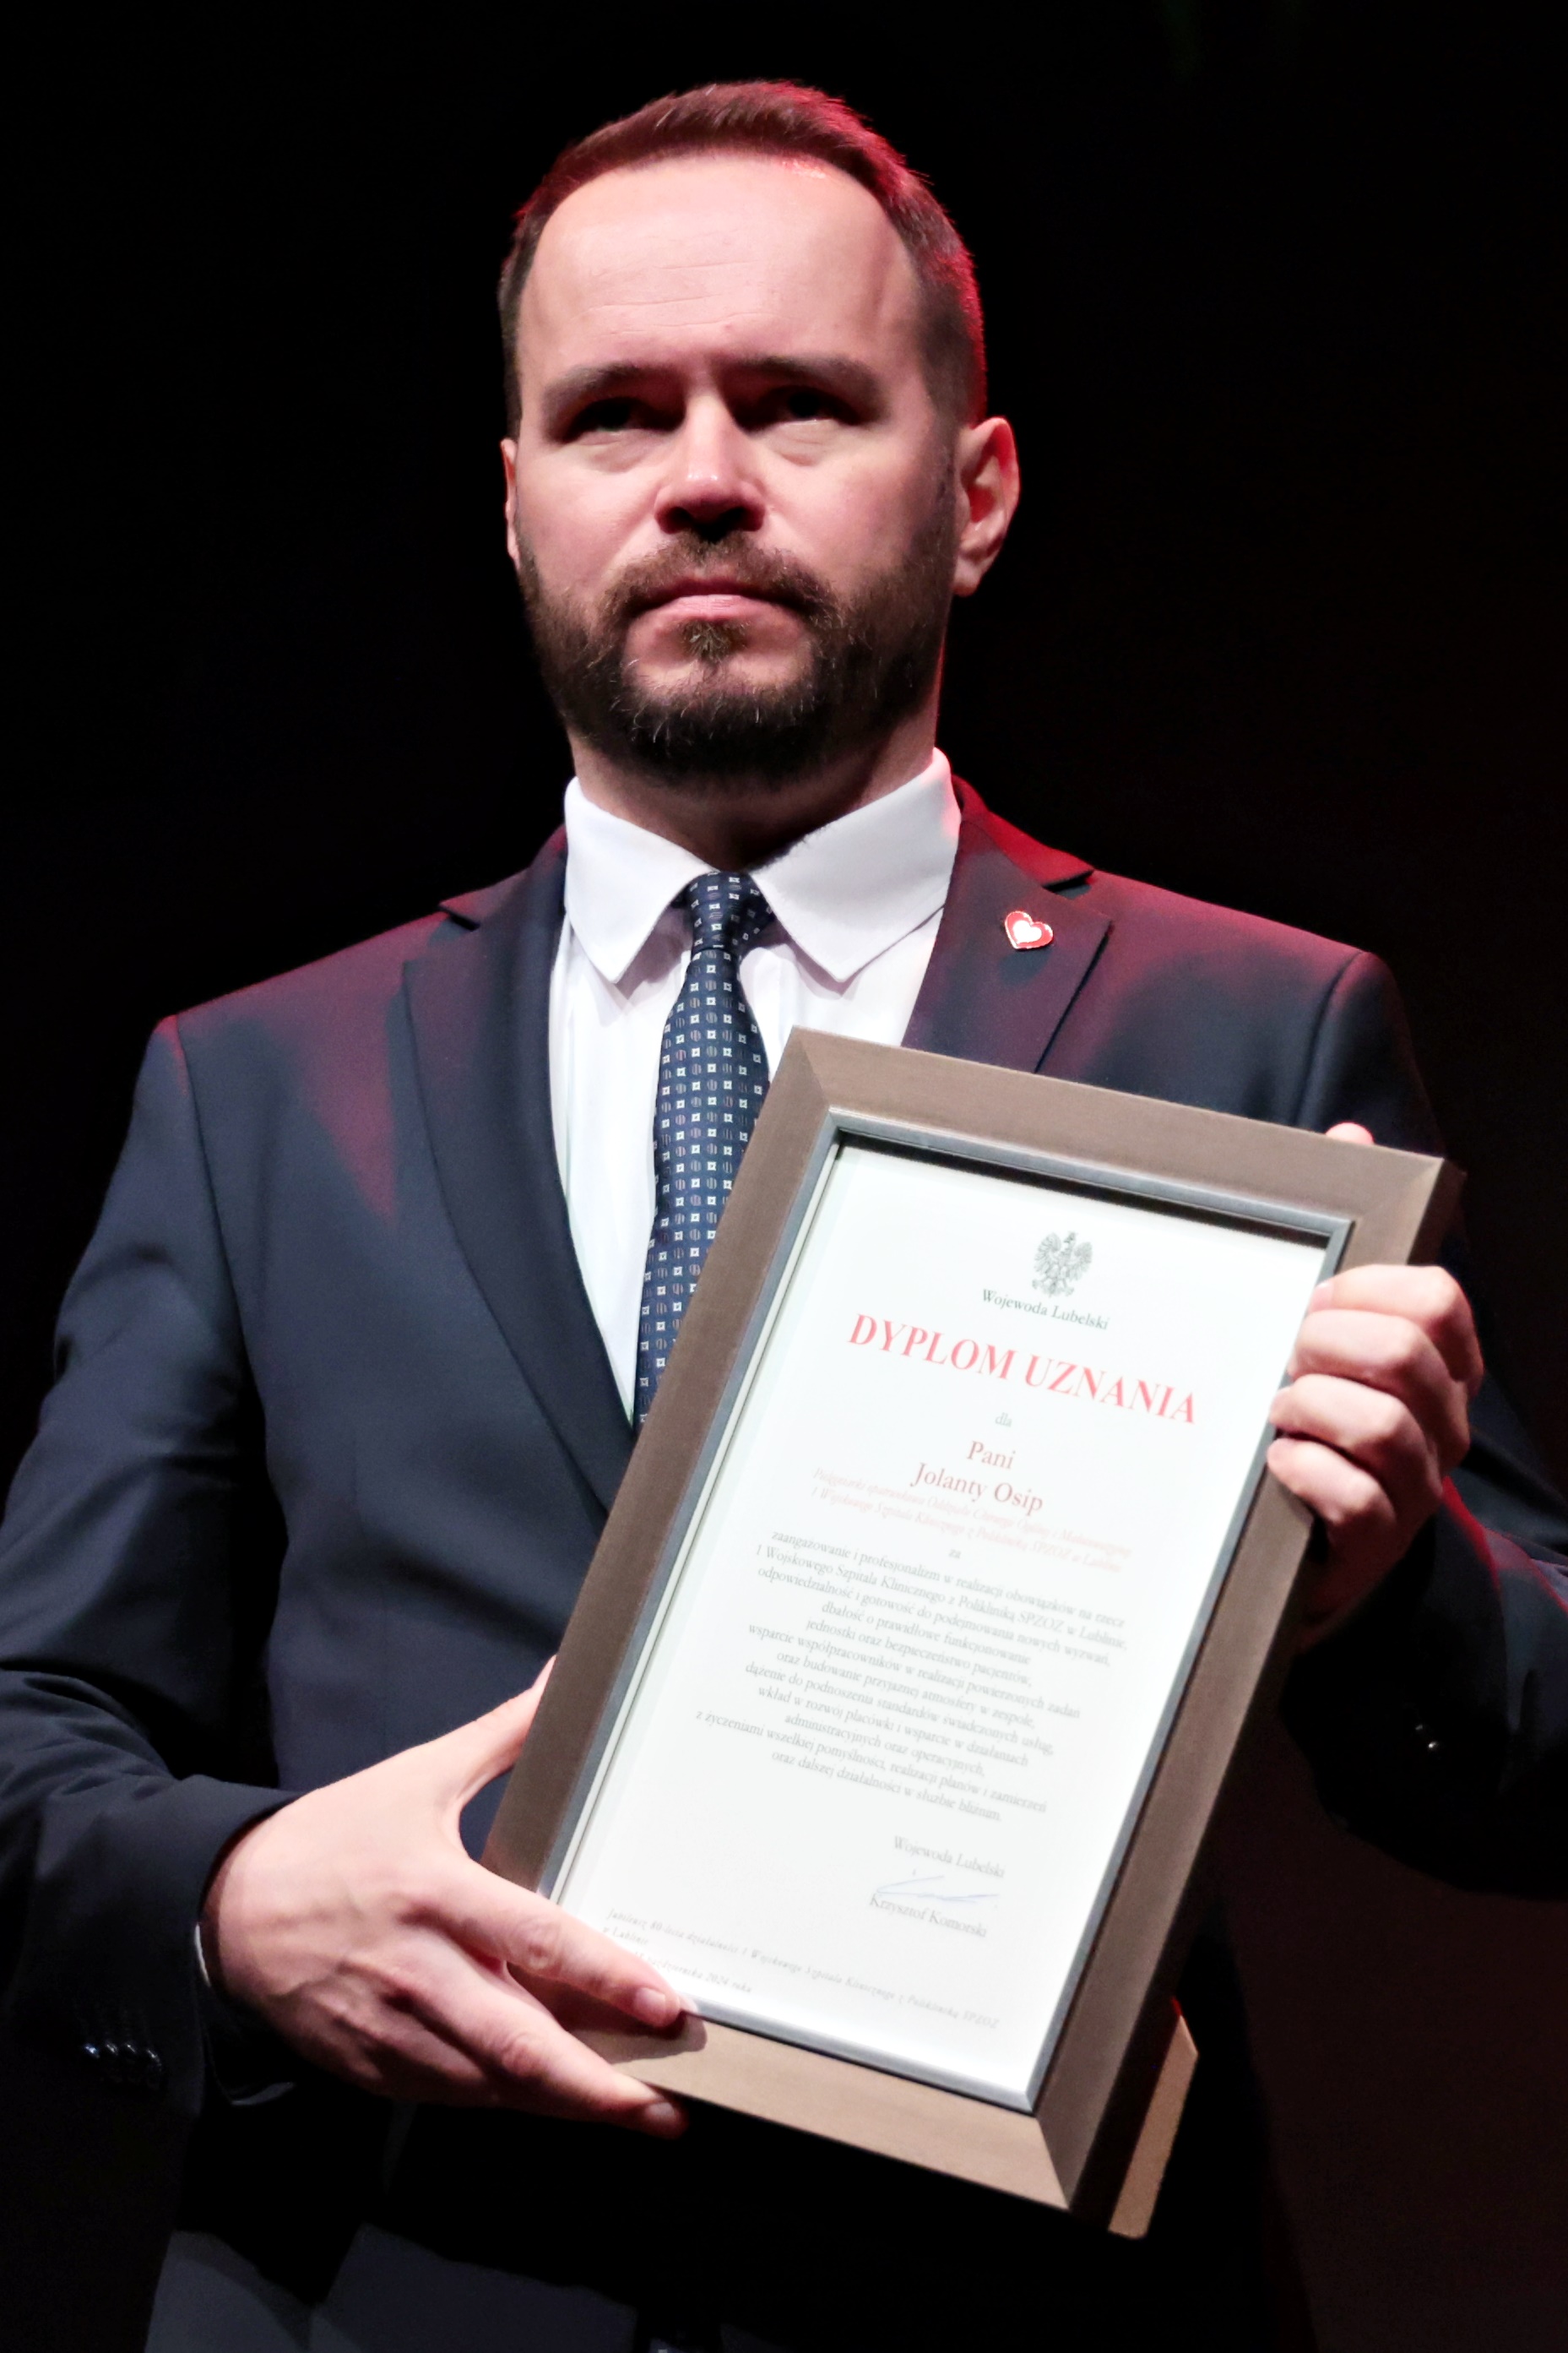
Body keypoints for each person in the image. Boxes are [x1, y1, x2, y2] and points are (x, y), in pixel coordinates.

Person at [0, 79, 1563, 2353]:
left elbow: (1533, 1767)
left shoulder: (1249, 1026)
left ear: (976, 492)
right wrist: (229, 1898)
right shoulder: (252, 1084)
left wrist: (1387, 1579)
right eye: (615, 413)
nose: (704, 475)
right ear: (517, 504)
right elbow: (33, 1727)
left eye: (799, 401)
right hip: (396, 2291)